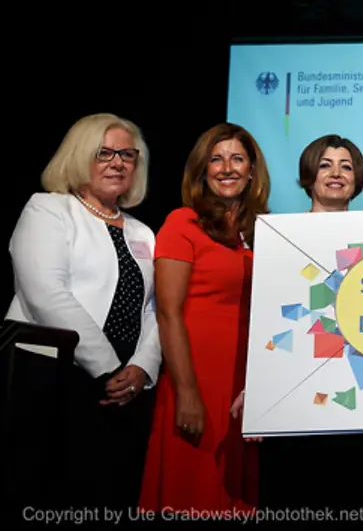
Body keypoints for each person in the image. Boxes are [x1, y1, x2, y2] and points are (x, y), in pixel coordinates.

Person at [5, 113, 161, 511]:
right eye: (104, 152)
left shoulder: (144, 233)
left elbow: (158, 309)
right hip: (57, 381)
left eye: (127, 154)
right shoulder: (49, 210)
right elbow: (46, 295)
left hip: (126, 390)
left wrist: (142, 368)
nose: (118, 162)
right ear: (78, 156)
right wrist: (107, 368)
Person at [139, 122, 269, 513]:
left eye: (237, 158)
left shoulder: (261, 231)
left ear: (251, 171)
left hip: (242, 392)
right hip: (196, 383)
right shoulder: (183, 222)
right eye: (216, 158)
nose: (227, 167)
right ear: (202, 169)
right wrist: (188, 393)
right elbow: (169, 313)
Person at [298, 134, 363, 212]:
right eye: (325, 165)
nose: (336, 173)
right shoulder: (288, 224)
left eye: (346, 167)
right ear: (308, 173)